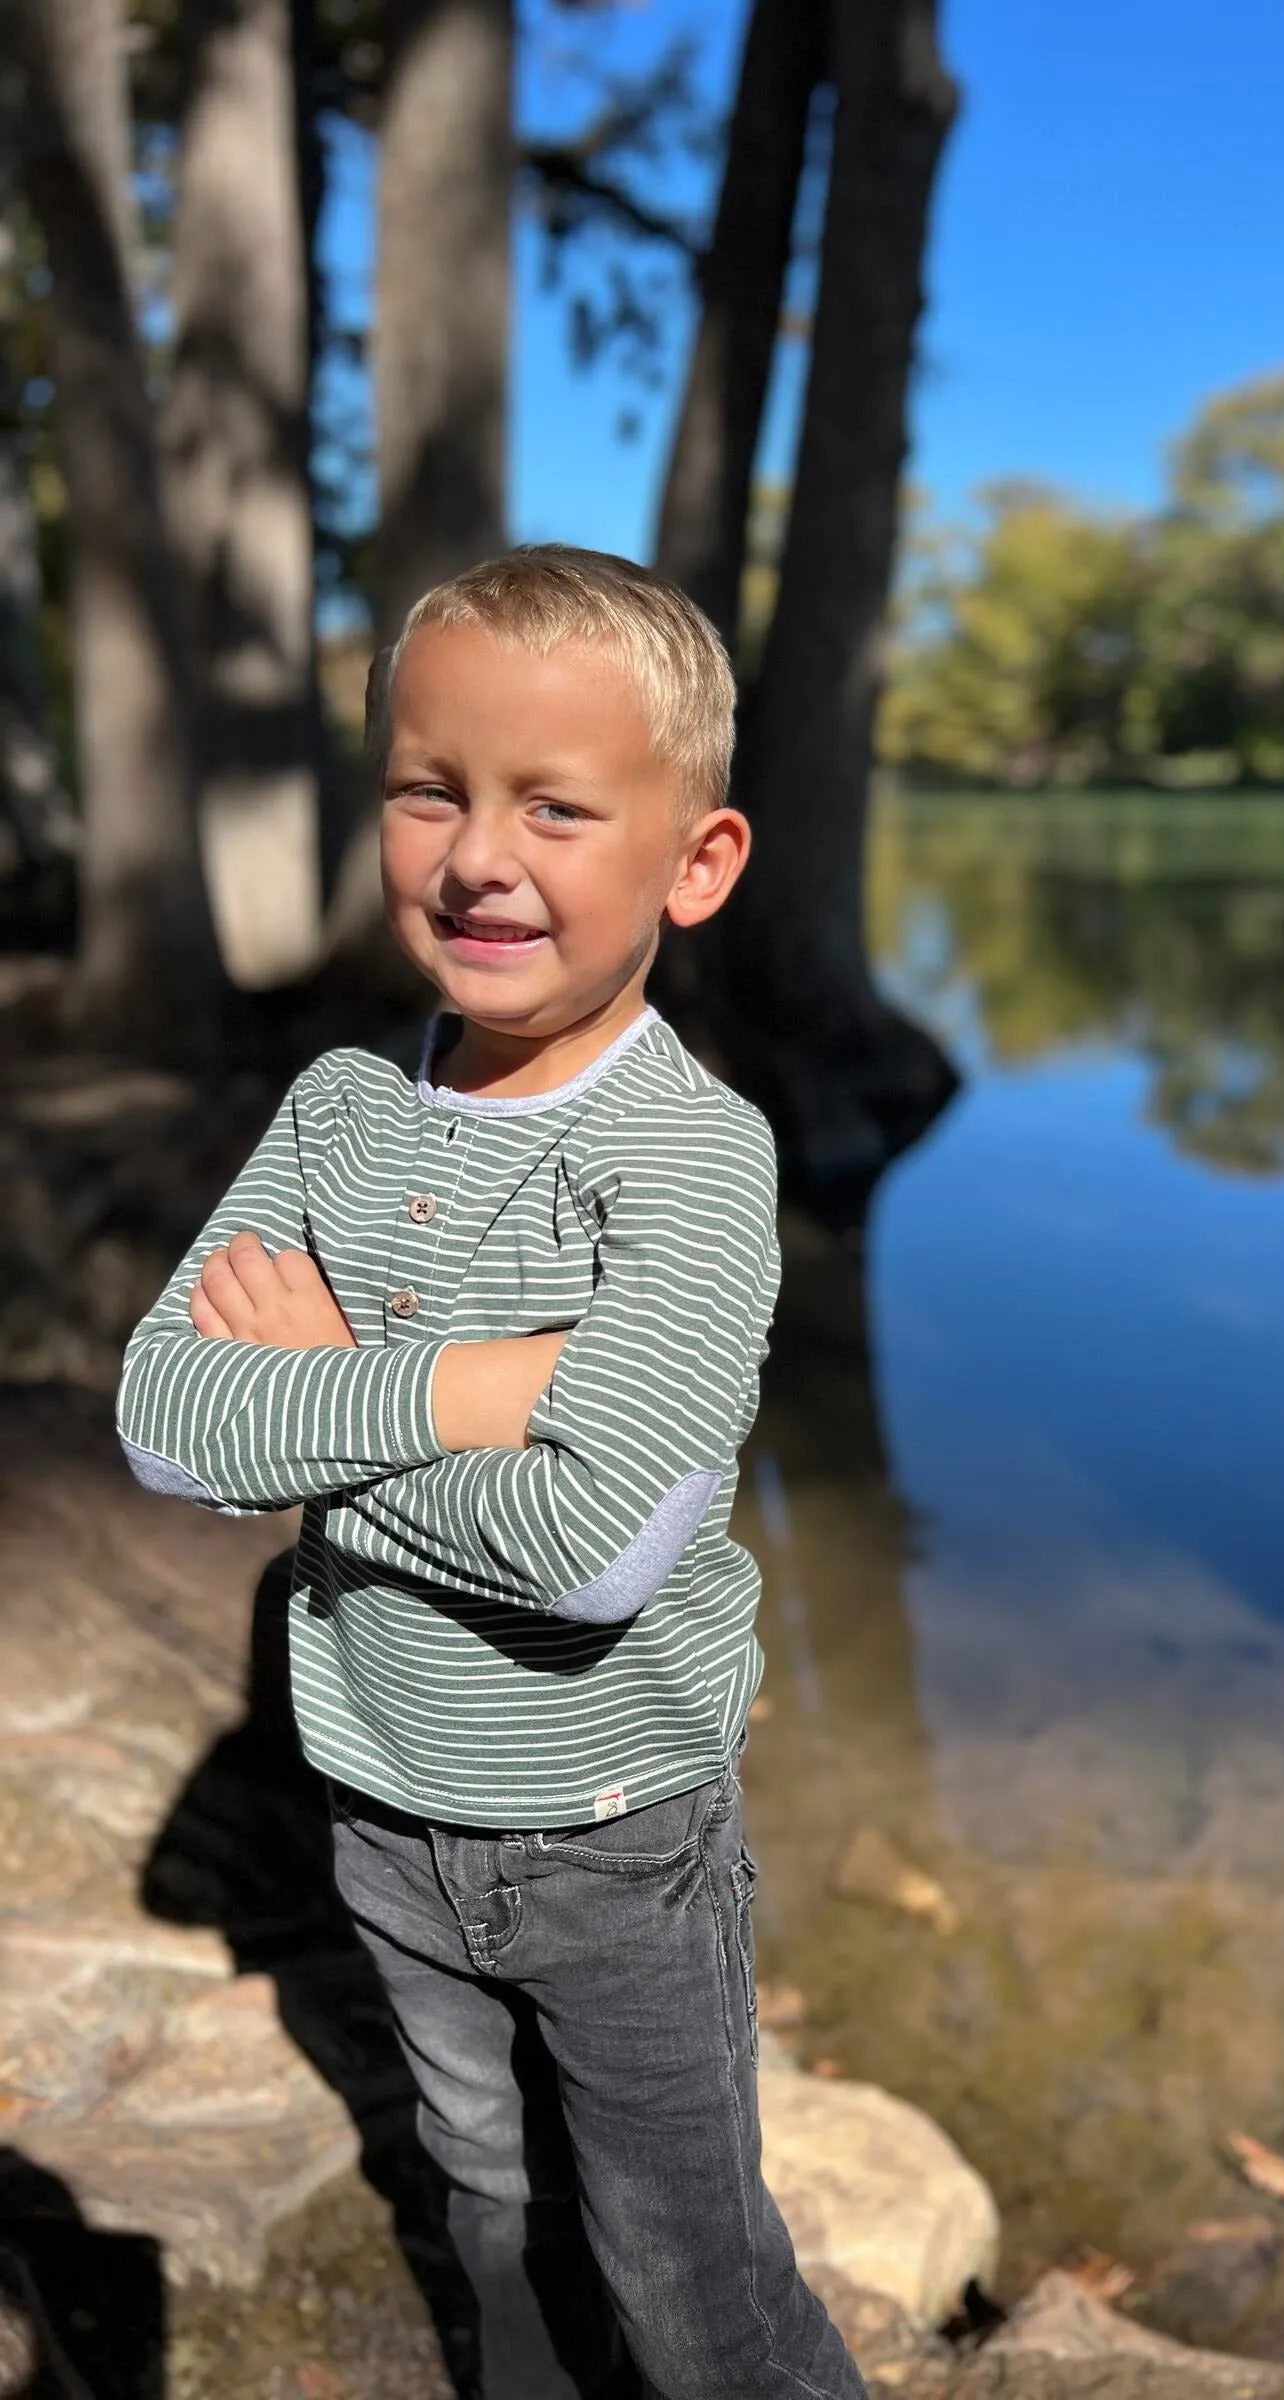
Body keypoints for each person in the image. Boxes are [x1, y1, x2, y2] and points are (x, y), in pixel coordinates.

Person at [115, 546, 866, 2400]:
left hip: (613, 1830)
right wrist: (473, 1387)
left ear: (695, 864)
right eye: (429, 788)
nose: (476, 856)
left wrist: (313, 1397)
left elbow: (598, 1551)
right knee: (485, 2197)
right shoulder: (339, 1113)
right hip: (379, 1794)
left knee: (690, 2269)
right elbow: (155, 1414)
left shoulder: (692, 1164)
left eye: (555, 805)